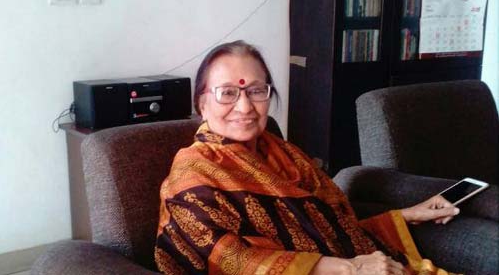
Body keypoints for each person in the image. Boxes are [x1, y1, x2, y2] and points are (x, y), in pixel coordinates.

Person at [155, 40, 461, 274]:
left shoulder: (285, 154)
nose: (245, 107)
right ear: (202, 104)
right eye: (227, 93)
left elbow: (333, 233)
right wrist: (351, 268)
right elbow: (230, 260)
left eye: (257, 91)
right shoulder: (192, 174)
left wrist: (408, 215)